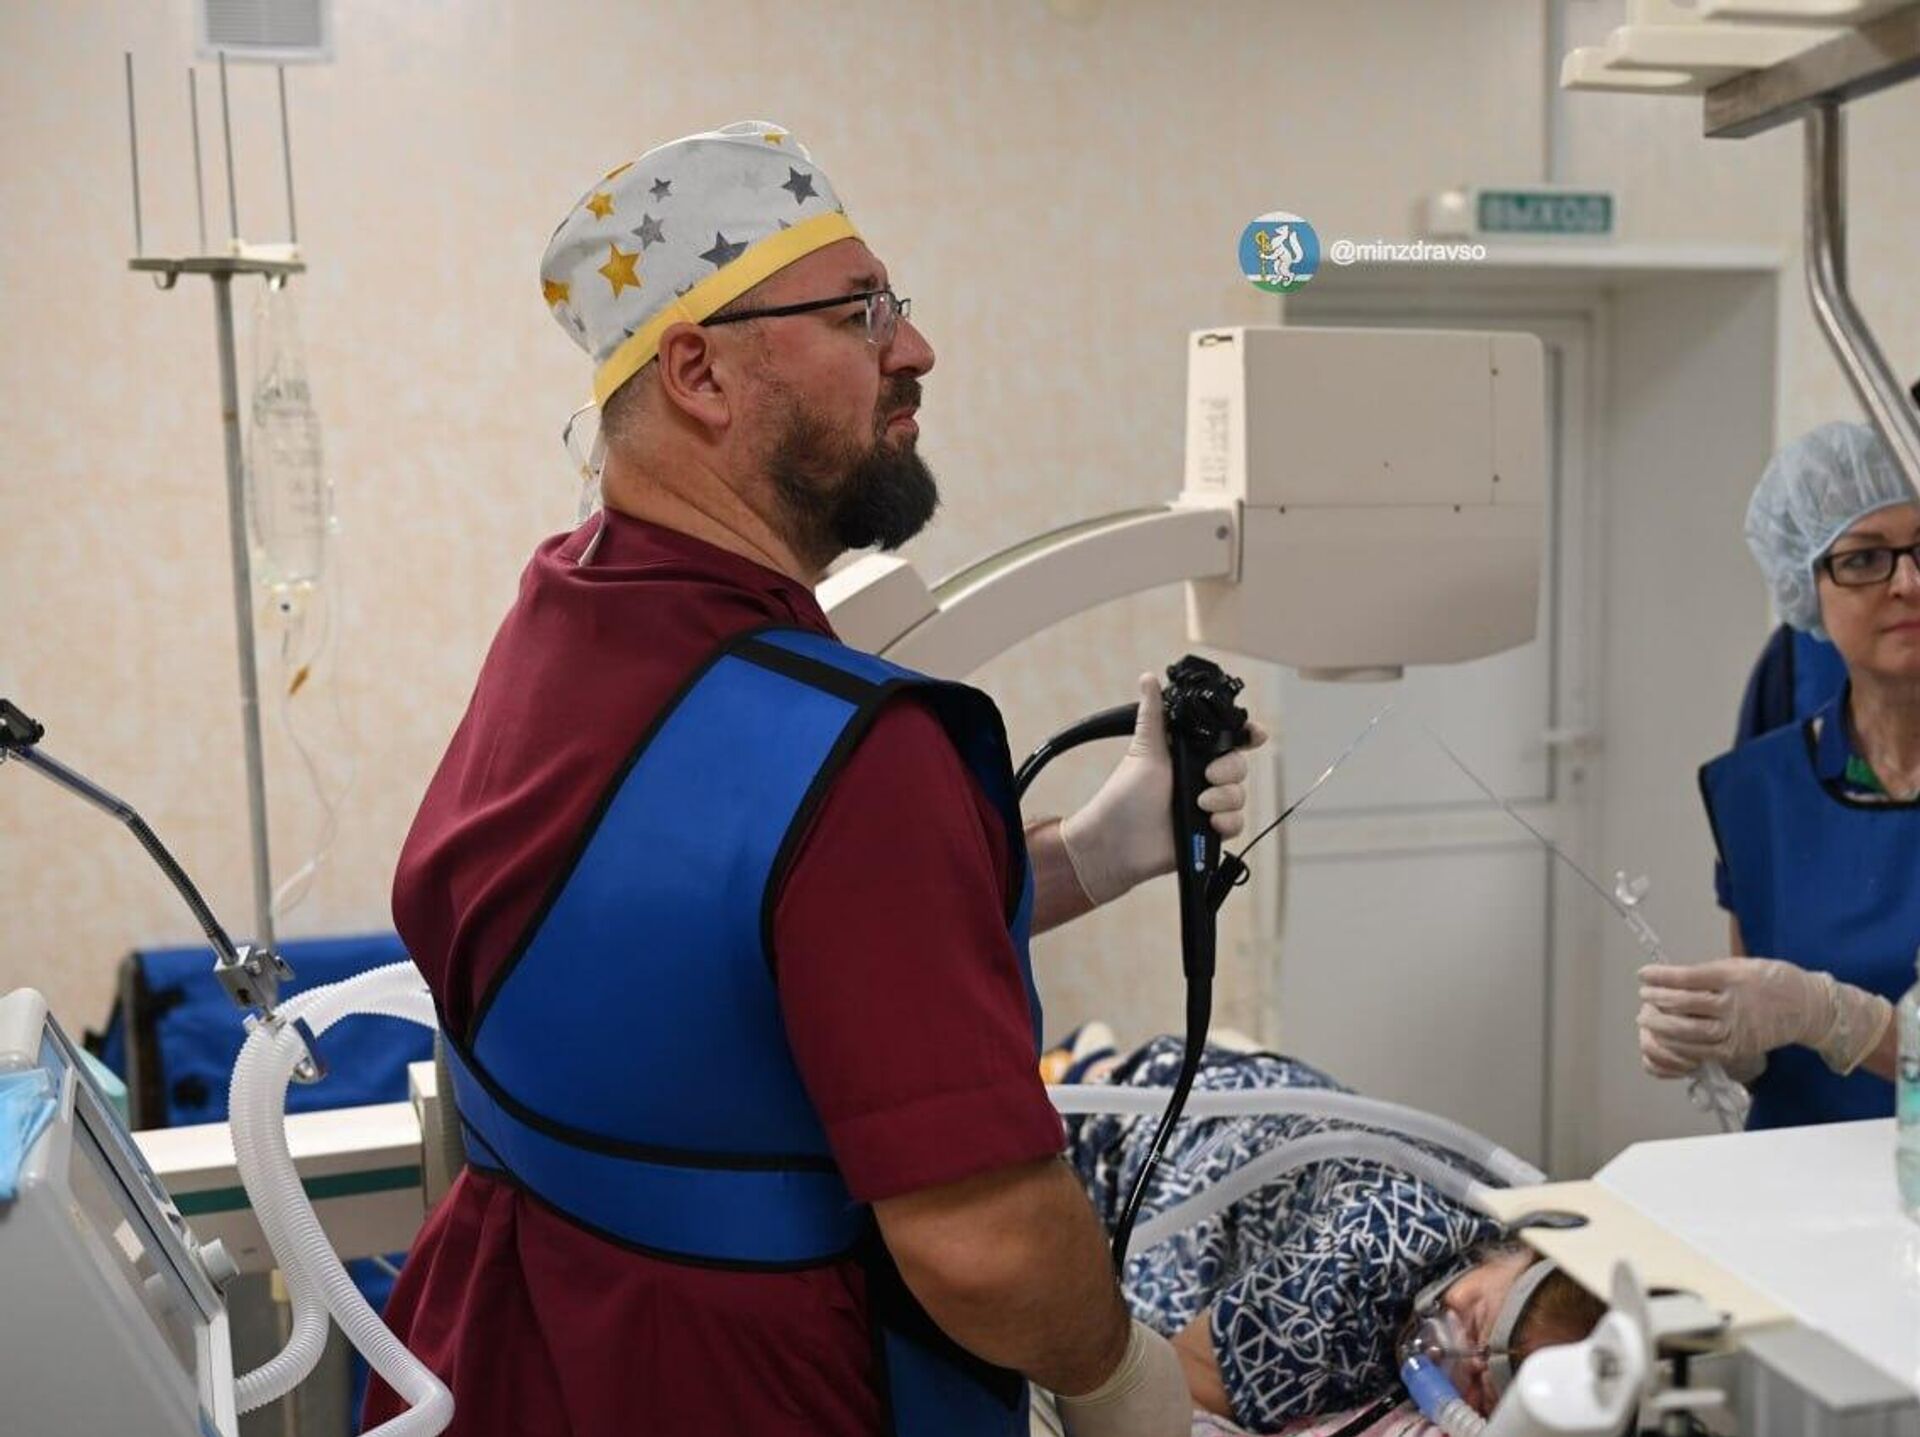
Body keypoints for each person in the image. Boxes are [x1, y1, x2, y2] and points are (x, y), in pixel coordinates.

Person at [363, 121, 1263, 1437]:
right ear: (699, 373)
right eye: (860, 314)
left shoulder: (567, 623)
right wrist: (1122, 1378)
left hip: (513, 1357)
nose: (916, 348)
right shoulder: (855, 749)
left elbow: (712, 959)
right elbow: (988, 1247)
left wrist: (1083, 855)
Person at [1044, 1038, 1604, 1433]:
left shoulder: (1518, 1217)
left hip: (1259, 1103)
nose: (1454, 1354)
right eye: (1478, 1320)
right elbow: (1171, 1386)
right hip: (1149, 1125)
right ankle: (1077, 1063)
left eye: (1485, 1391)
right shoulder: (1347, 1273)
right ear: (1522, 1252)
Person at [1638, 421, 1912, 1127]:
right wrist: (1722, 1040)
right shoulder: (1761, 790)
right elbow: (1770, 1044)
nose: (1908, 583)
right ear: (1807, 587)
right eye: (1864, 558)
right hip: (1792, 1174)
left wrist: (1830, 1014)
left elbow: (1807, 1010)